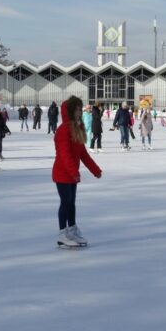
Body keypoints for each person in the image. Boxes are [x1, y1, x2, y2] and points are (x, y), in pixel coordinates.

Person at [52, 96, 102, 248]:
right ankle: (62, 235)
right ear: (70, 111)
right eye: (77, 109)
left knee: (72, 203)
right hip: (62, 173)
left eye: (81, 108)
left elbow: (82, 154)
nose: (80, 111)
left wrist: (95, 170)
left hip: (72, 174)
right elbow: (65, 154)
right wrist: (74, 172)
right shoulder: (63, 130)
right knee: (65, 203)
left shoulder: (78, 129)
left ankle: (72, 230)